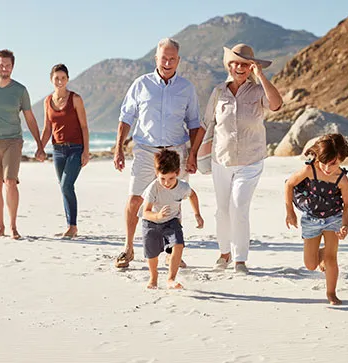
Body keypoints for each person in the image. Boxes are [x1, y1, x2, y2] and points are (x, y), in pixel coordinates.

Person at [114, 37, 202, 268]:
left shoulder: (186, 88)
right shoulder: (141, 84)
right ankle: (128, 248)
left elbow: (194, 123)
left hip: (176, 150)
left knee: (175, 201)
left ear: (178, 60)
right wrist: (118, 149)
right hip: (145, 150)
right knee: (135, 199)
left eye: (173, 58)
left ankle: (172, 252)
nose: (168, 62)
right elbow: (126, 118)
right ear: (156, 58)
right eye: (164, 58)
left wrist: (192, 156)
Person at [199, 44, 283, 273]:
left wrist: (262, 76)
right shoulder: (218, 92)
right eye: (235, 63)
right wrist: (194, 155)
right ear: (229, 65)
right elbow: (207, 125)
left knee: (238, 206)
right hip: (221, 160)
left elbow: (276, 104)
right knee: (222, 210)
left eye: (245, 64)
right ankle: (224, 253)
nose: (239, 67)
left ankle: (240, 260)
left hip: (250, 161)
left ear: (251, 67)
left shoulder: (258, 92)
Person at [0, 49, 45, 239]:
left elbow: (30, 118)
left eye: (8, 65)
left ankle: (13, 227)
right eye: (1, 64)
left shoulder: (20, 90)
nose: (4, 68)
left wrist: (39, 144)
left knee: (10, 181)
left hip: (13, 140)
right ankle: (0, 227)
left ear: (12, 67)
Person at [285, 134, 348, 305]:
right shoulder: (310, 170)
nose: (328, 168)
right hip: (311, 220)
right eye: (325, 163)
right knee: (310, 265)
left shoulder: (342, 179)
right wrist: (290, 212)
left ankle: (331, 293)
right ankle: (321, 253)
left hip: (333, 218)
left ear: (341, 160)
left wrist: (345, 225)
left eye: (334, 164)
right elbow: (289, 184)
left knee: (331, 259)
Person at [142, 149, 204, 289]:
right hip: (151, 223)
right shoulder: (153, 188)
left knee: (178, 245)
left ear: (177, 173)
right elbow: (145, 212)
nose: (166, 183)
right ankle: (153, 277)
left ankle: (171, 278)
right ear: (157, 173)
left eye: (170, 178)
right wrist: (157, 216)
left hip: (172, 221)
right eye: (162, 178)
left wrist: (197, 214)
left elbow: (192, 195)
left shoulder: (182, 187)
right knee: (151, 254)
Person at [41, 64, 90, 238]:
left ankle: (72, 226)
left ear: (68, 79)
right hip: (57, 150)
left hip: (75, 149)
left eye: (63, 78)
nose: (60, 81)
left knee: (66, 185)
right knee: (64, 188)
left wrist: (86, 152)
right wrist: (40, 147)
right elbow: (47, 128)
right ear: (51, 79)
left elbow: (84, 126)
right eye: (56, 78)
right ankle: (70, 224)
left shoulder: (75, 99)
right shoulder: (48, 101)